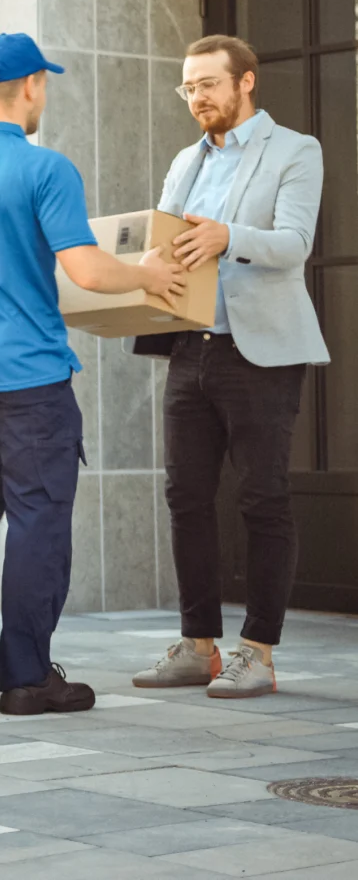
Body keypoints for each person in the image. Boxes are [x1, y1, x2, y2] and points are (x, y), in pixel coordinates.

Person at [0, 33, 185, 714]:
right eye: (45, 84)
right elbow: (88, 268)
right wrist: (147, 273)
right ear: (31, 85)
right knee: (37, 516)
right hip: (30, 376)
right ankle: (28, 677)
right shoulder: (44, 168)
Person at [133, 35, 328, 700]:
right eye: (189, 87)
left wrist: (228, 237)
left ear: (246, 82)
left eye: (209, 84)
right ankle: (198, 646)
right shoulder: (186, 161)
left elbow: (295, 243)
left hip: (262, 351)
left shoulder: (296, 150)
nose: (198, 98)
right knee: (186, 496)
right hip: (192, 347)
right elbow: (166, 242)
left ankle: (259, 653)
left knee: (262, 497)